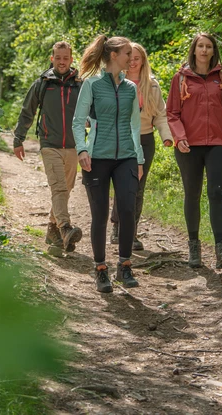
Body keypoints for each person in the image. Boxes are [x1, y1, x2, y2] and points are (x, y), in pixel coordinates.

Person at [72, 34, 145, 293]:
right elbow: (78, 120)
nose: (131, 58)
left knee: (127, 209)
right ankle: (101, 268)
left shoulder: (131, 88)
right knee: (100, 215)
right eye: (127, 54)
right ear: (114, 55)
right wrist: (82, 149)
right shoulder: (91, 85)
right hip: (97, 158)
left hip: (125, 156)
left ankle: (124, 266)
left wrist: (139, 157)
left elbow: (135, 126)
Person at [166, 32, 222, 269]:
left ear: (213, 51)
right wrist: (179, 137)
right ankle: (194, 246)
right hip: (188, 146)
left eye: (208, 46)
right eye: (200, 45)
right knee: (192, 194)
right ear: (194, 49)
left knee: (216, 193)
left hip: (217, 145)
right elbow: (172, 113)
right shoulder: (180, 78)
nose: (204, 50)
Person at [13, 41, 83, 257]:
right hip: (49, 144)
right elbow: (28, 111)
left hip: (73, 145)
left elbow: (91, 111)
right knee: (59, 188)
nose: (62, 62)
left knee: (66, 189)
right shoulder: (42, 84)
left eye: (66, 58)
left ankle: (53, 233)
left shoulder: (79, 84)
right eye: (58, 58)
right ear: (52, 59)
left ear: (71, 60)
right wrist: (18, 139)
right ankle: (65, 227)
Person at [109, 42, 174, 250]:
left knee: (137, 188)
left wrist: (167, 136)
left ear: (143, 61)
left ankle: (132, 231)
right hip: (121, 139)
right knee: (123, 185)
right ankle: (117, 228)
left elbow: (160, 115)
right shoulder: (114, 81)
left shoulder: (152, 85)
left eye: (138, 58)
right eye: (130, 57)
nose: (133, 62)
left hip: (145, 140)